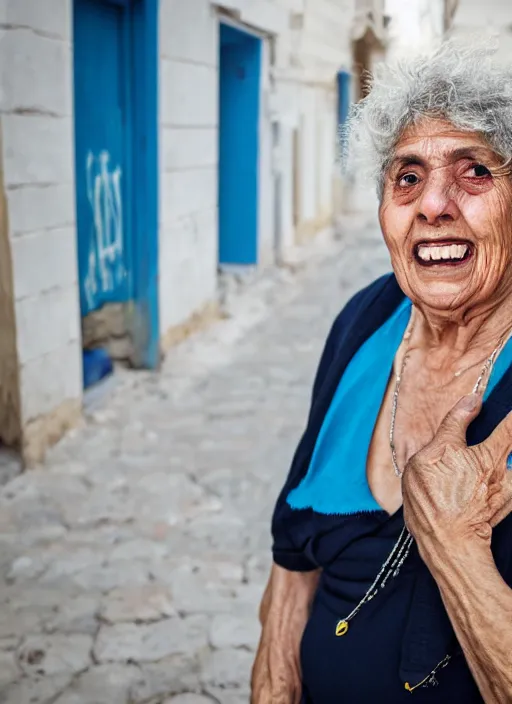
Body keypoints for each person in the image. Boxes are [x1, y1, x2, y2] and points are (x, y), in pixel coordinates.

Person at [251, 43, 512, 703]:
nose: (433, 205)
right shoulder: (367, 320)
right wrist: (276, 687)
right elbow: (292, 562)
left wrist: (454, 543)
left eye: (475, 170)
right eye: (407, 176)